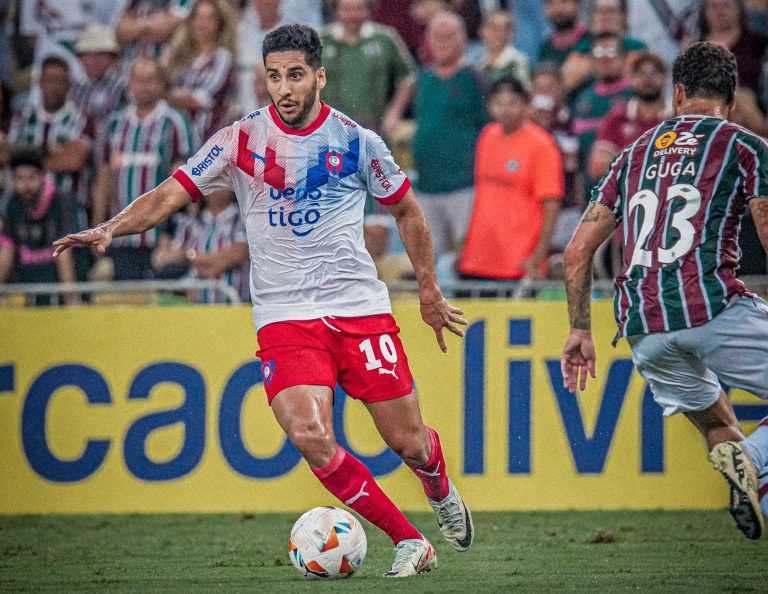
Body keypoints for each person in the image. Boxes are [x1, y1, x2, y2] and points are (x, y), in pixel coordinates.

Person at [54, 24, 474, 577]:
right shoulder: (239, 140)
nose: (285, 88)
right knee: (310, 435)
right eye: (274, 76)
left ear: (319, 76)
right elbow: (168, 195)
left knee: (409, 443)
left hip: (358, 310)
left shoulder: (356, 141)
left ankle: (438, 486)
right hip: (284, 317)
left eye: (295, 75)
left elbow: (408, 211)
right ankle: (410, 540)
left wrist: (427, 287)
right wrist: (112, 227)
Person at [561, 42, 768, 541]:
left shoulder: (632, 154)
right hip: (712, 305)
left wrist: (580, 330)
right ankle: (755, 457)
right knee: (746, 453)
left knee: (719, 428)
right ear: (733, 97)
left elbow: (575, 253)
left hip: (643, 328)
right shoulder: (744, 145)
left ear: (677, 93)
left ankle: (751, 472)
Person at [382, 12, 488, 262]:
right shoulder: (423, 78)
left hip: (464, 183)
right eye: (436, 37)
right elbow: (393, 122)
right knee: (428, 254)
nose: (441, 43)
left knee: (468, 253)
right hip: (428, 183)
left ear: (463, 40)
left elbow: (489, 129)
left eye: (449, 37)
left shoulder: (473, 78)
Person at [91, 57, 194, 280]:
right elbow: (104, 180)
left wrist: (172, 235)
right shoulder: (113, 124)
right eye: (138, 80)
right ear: (129, 83)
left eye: (151, 80)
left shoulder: (175, 123)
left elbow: (185, 185)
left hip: (158, 238)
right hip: (120, 236)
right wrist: (98, 228)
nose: (144, 86)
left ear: (162, 84)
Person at [458, 76, 564, 282]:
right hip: (478, 258)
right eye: (499, 103)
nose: (505, 110)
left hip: (517, 261)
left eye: (513, 103)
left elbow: (551, 204)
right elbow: (482, 196)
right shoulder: (486, 136)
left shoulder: (542, 144)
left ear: (526, 105)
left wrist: (538, 255)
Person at [0, 148, 77, 305]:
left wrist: (71, 303)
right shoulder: (11, 203)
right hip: (28, 288)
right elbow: (6, 251)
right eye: (20, 179)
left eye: (31, 178)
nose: (26, 185)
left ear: (43, 176)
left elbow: (63, 253)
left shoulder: (60, 202)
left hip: (58, 288)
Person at [163, 0, 236, 141]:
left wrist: (162, 95)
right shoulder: (179, 56)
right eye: (198, 17)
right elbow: (161, 82)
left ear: (220, 24)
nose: (202, 24)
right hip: (176, 139)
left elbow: (202, 99)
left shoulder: (221, 57)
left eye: (210, 18)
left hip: (208, 140)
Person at [71, 24, 128, 122]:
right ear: (81, 59)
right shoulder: (77, 88)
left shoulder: (123, 87)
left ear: (111, 58)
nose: (94, 61)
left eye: (100, 54)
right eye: (88, 55)